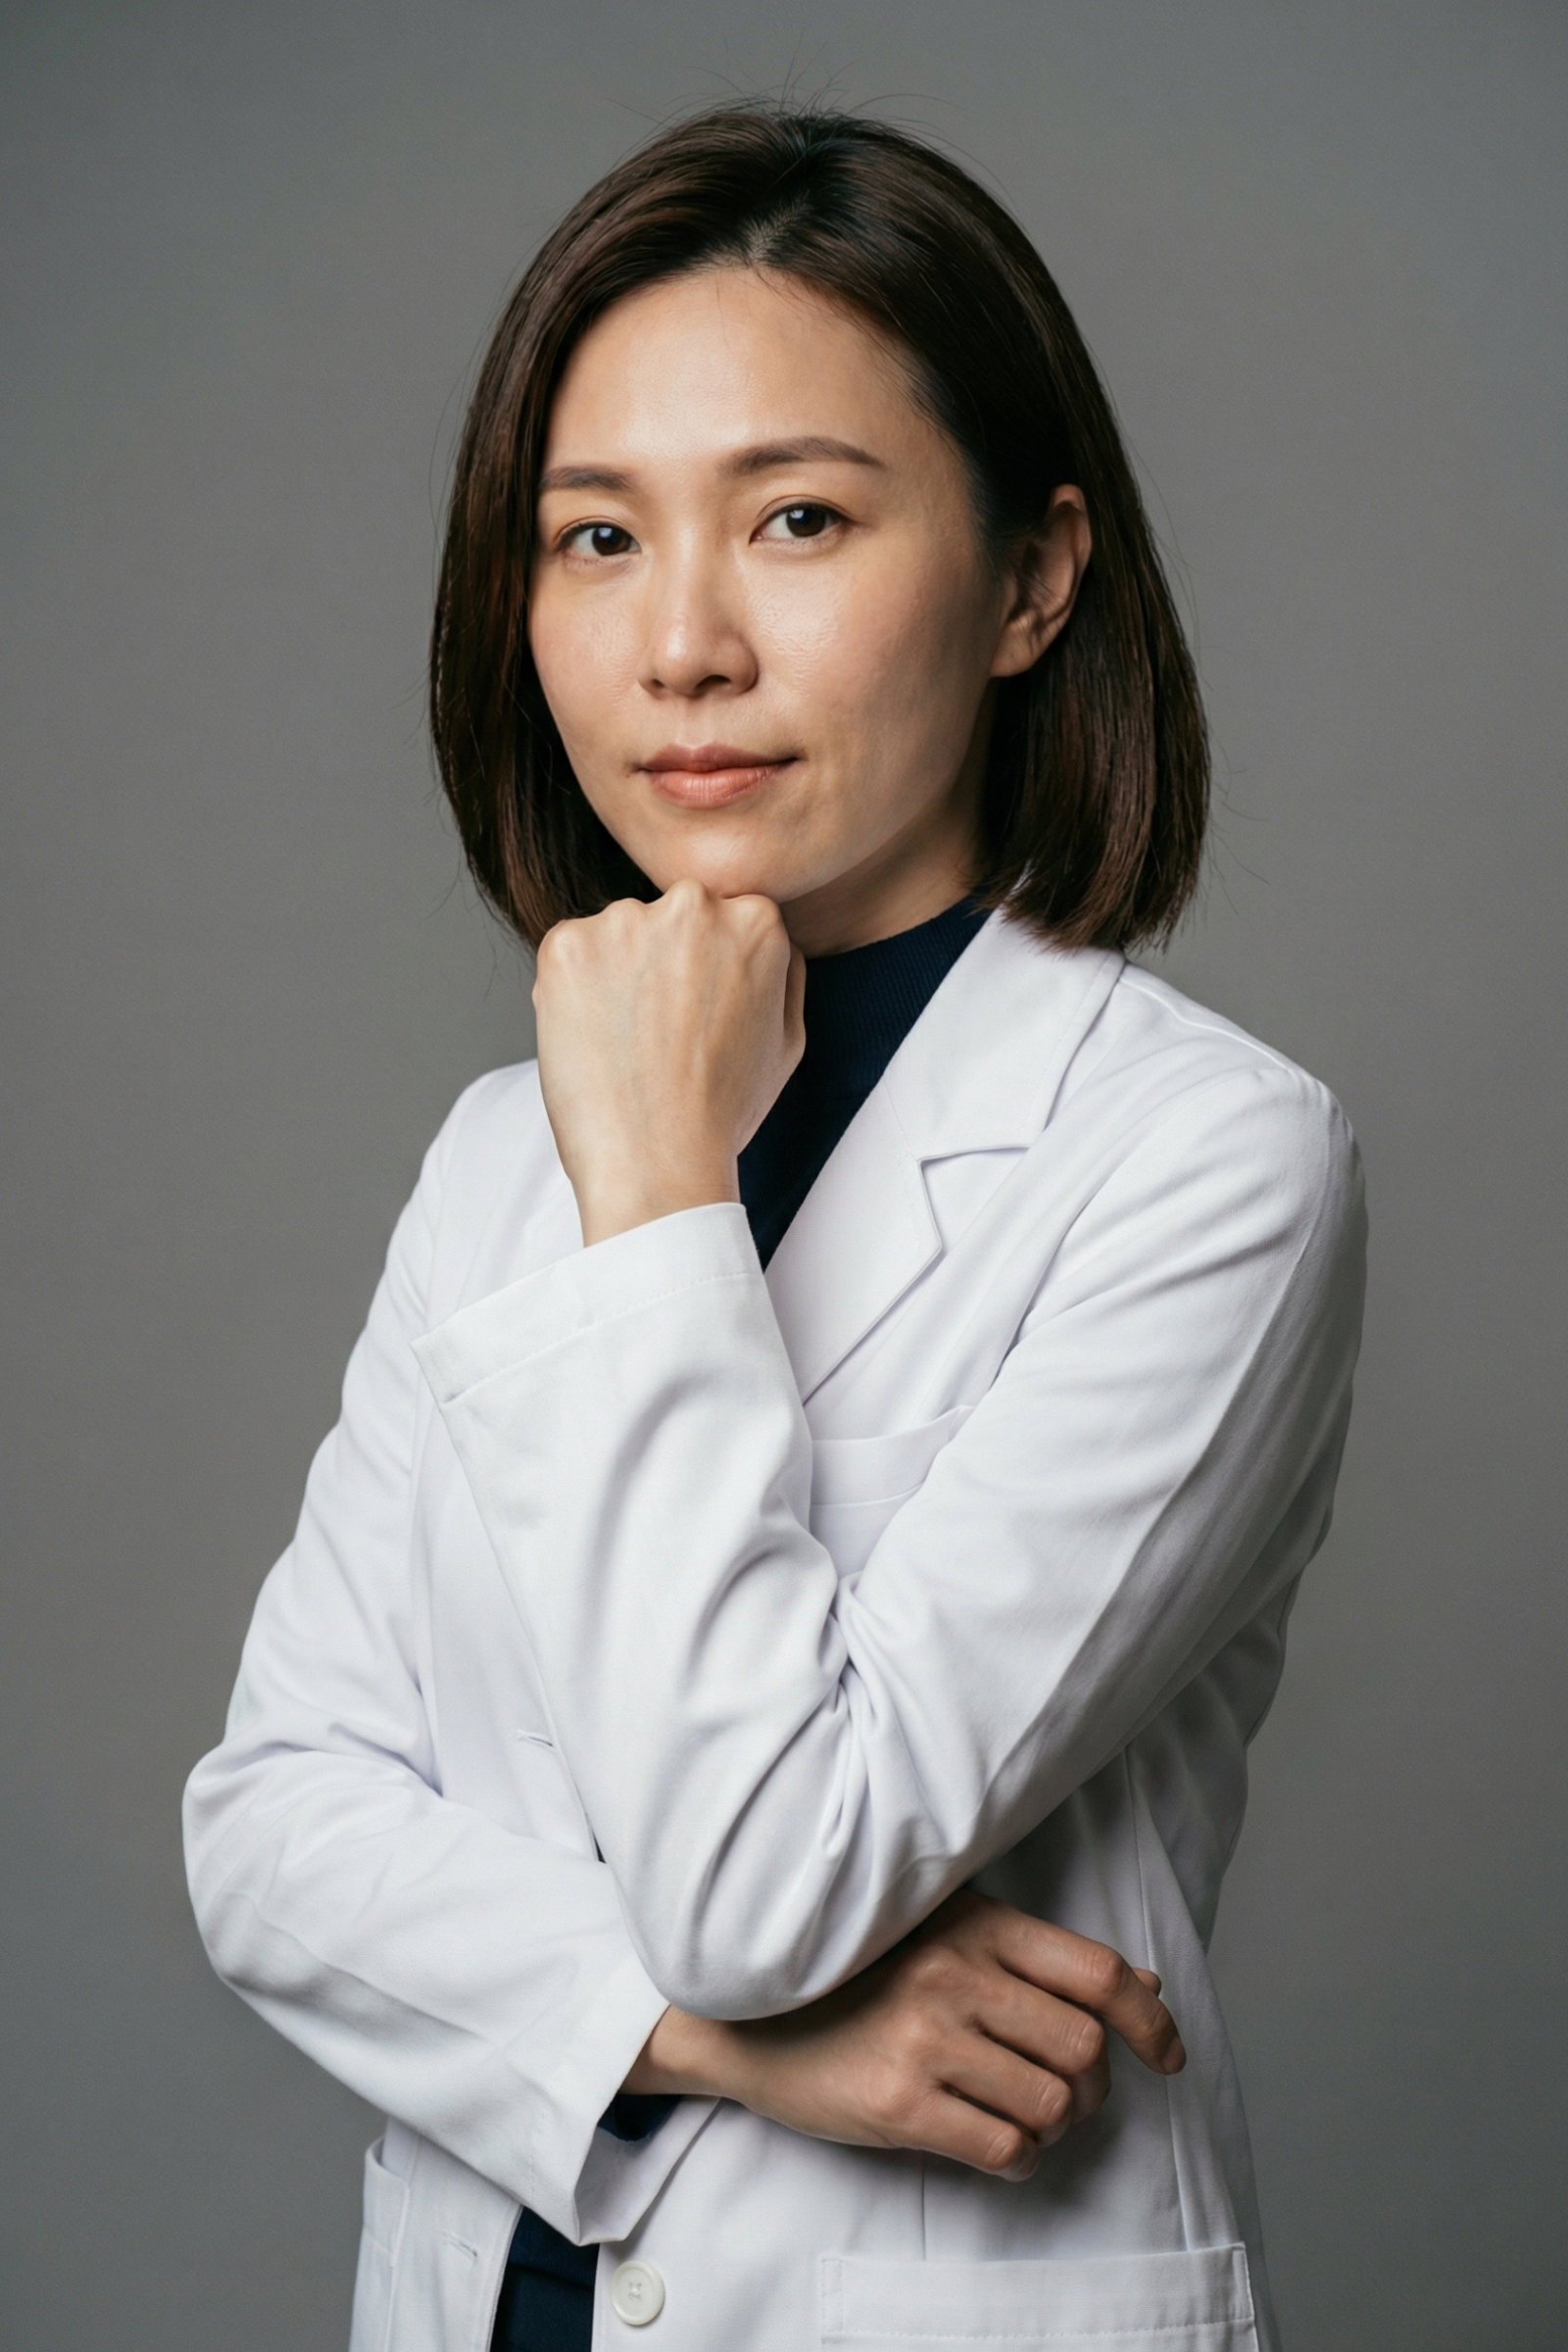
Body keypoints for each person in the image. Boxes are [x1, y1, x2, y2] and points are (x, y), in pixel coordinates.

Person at [182, 105, 1365, 2352]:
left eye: (797, 518)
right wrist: (721, 2047)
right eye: (594, 536)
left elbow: (764, 1873)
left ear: (1029, 580)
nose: (681, 643)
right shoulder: (493, 1149)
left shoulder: (1202, 1160)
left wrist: (652, 1195)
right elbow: (268, 1834)